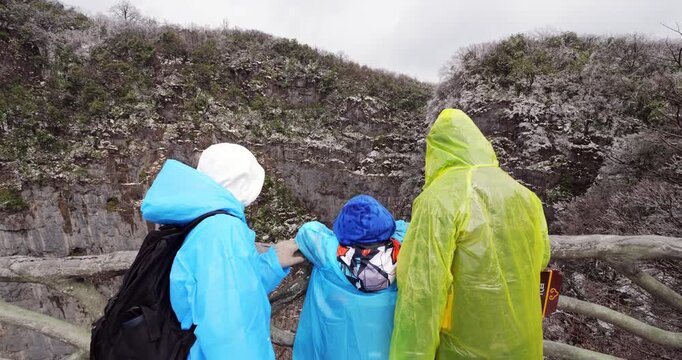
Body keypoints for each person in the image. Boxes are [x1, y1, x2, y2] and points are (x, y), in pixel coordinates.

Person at [390, 109, 551, 359]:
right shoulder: (524, 195)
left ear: (436, 151)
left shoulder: (439, 199)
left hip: (467, 344)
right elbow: (541, 257)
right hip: (522, 342)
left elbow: (422, 291)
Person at [140, 143, 302, 360]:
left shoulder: (204, 220)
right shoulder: (222, 231)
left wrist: (272, 262)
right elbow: (229, 329)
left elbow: (232, 289)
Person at [293, 195, 408, 360]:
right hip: (384, 351)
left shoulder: (328, 253)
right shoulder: (400, 252)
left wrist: (339, 237)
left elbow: (308, 230)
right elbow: (405, 227)